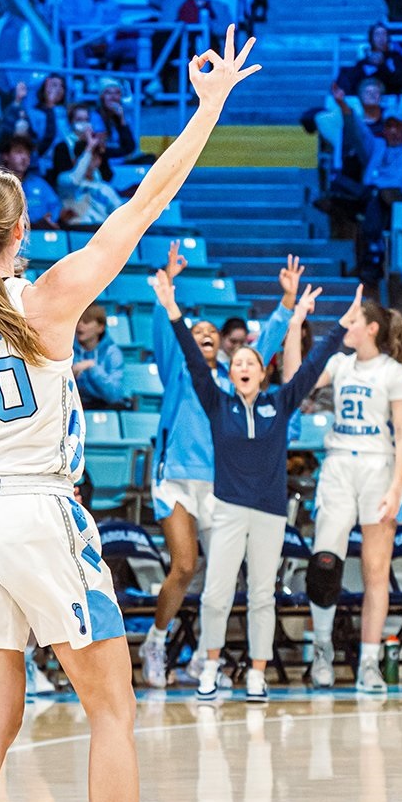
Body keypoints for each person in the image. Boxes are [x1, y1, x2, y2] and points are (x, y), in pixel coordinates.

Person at [0, 25, 255, 802]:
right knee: (112, 708)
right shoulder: (50, 296)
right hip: (35, 509)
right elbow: (145, 203)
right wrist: (210, 105)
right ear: (17, 232)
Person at [179, 277, 345, 704]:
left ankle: (257, 672)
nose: (245, 368)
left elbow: (311, 367)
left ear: (263, 370)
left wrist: (335, 326)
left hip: (271, 512)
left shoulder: (281, 402)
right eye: (238, 365)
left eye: (252, 362)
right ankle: (211, 668)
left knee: (261, 596)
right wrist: (172, 310)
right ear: (231, 375)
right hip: (229, 510)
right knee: (216, 594)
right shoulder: (218, 404)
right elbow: (196, 364)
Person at [136, 250, 293, 689]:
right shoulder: (181, 372)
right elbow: (169, 332)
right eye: (197, 331)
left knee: (222, 576)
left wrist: (284, 305)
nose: (203, 335)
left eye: (210, 332)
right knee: (185, 565)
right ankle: (157, 640)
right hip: (175, 480)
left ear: (222, 345)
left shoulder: (233, 381)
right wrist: (167, 284)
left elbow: (263, 351)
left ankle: (203, 659)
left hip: (221, 486)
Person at [304, 292, 402, 692]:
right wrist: (297, 317)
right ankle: (322, 652)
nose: (344, 327)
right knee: (324, 562)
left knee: (375, 571)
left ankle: (369, 662)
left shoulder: (394, 372)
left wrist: (397, 487)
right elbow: (292, 382)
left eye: (351, 321)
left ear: (371, 328)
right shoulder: (337, 363)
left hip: (378, 465)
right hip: (338, 463)